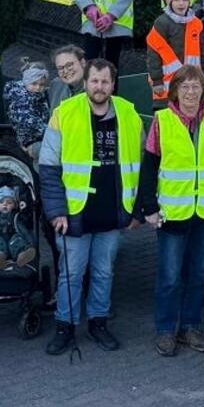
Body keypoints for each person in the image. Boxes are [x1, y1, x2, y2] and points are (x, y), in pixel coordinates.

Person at [38, 58, 144, 355]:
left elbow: (141, 165)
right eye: (94, 81)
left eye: (105, 81)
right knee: (70, 274)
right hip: (74, 214)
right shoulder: (64, 113)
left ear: (113, 84)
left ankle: (98, 323)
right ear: (85, 82)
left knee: (103, 273)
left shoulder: (129, 113)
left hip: (112, 213)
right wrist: (56, 211)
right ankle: (65, 327)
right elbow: (48, 167)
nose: (99, 87)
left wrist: (135, 211)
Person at [137, 65, 204, 356]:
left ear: (203, 90)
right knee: (169, 277)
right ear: (176, 90)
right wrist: (149, 207)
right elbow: (149, 166)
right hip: (173, 213)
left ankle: (191, 326)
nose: (191, 92)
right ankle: (166, 330)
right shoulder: (162, 120)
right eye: (186, 87)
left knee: (199, 275)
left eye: (196, 87)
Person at [146, 0, 203, 106]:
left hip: (190, 86)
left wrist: (203, 80)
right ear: (169, 1)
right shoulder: (161, 23)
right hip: (166, 86)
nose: (181, 3)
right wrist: (157, 81)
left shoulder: (197, 23)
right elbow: (153, 54)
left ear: (190, 2)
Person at [5, 63, 52, 160]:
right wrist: (50, 132)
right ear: (26, 82)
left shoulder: (39, 96)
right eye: (34, 84)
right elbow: (28, 122)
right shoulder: (21, 98)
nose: (38, 88)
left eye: (41, 85)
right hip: (29, 141)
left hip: (40, 136)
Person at [47, 44, 87, 113]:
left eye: (69, 65)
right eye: (60, 68)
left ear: (82, 62)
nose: (65, 71)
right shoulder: (55, 85)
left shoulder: (96, 90)